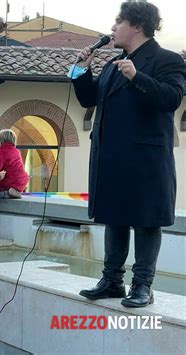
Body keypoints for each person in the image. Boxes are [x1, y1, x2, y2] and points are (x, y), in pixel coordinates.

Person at [71, 2, 185, 308]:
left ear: (137, 25)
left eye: (118, 21)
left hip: (146, 161)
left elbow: (171, 98)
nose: (112, 28)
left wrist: (138, 77)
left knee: (147, 222)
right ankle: (111, 281)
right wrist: (83, 70)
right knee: (115, 218)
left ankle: (142, 285)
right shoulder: (112, 65)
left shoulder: (167, 60)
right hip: (111, 159)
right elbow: (89, 99)